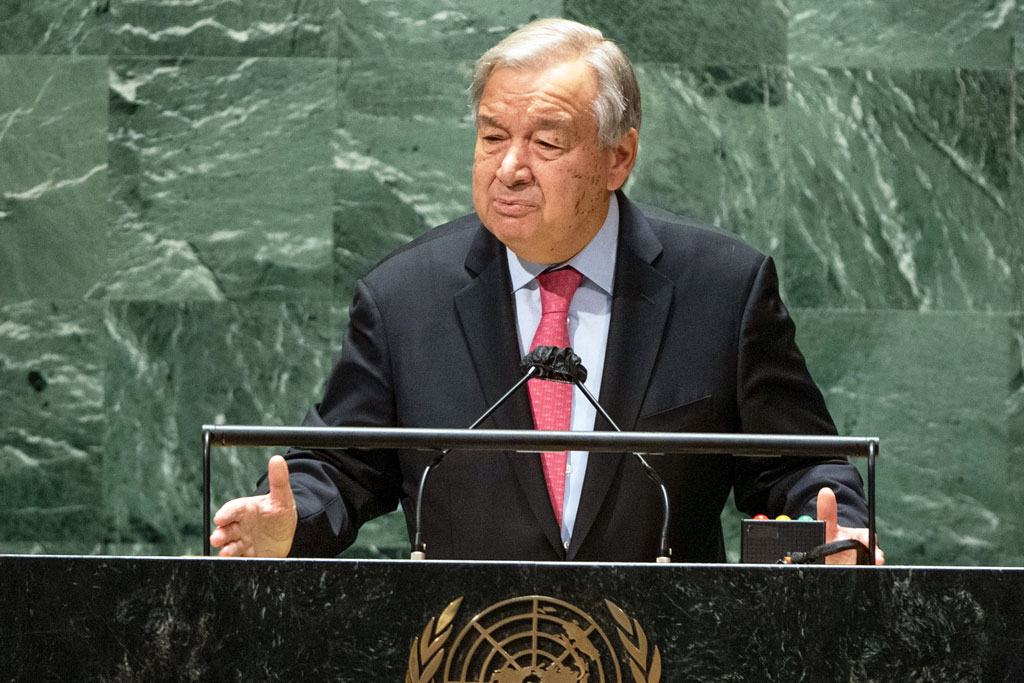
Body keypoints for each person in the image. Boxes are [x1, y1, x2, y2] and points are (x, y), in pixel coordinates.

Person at [210, 18, 883, 564]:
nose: (509, 168)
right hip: (470, 654)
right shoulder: (404, 300)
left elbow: (800, 464)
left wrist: (839, 528)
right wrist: (290, 522)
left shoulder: (723, 290)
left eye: (546, 143)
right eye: (492, 137)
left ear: (619, 156)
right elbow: (336, 468)